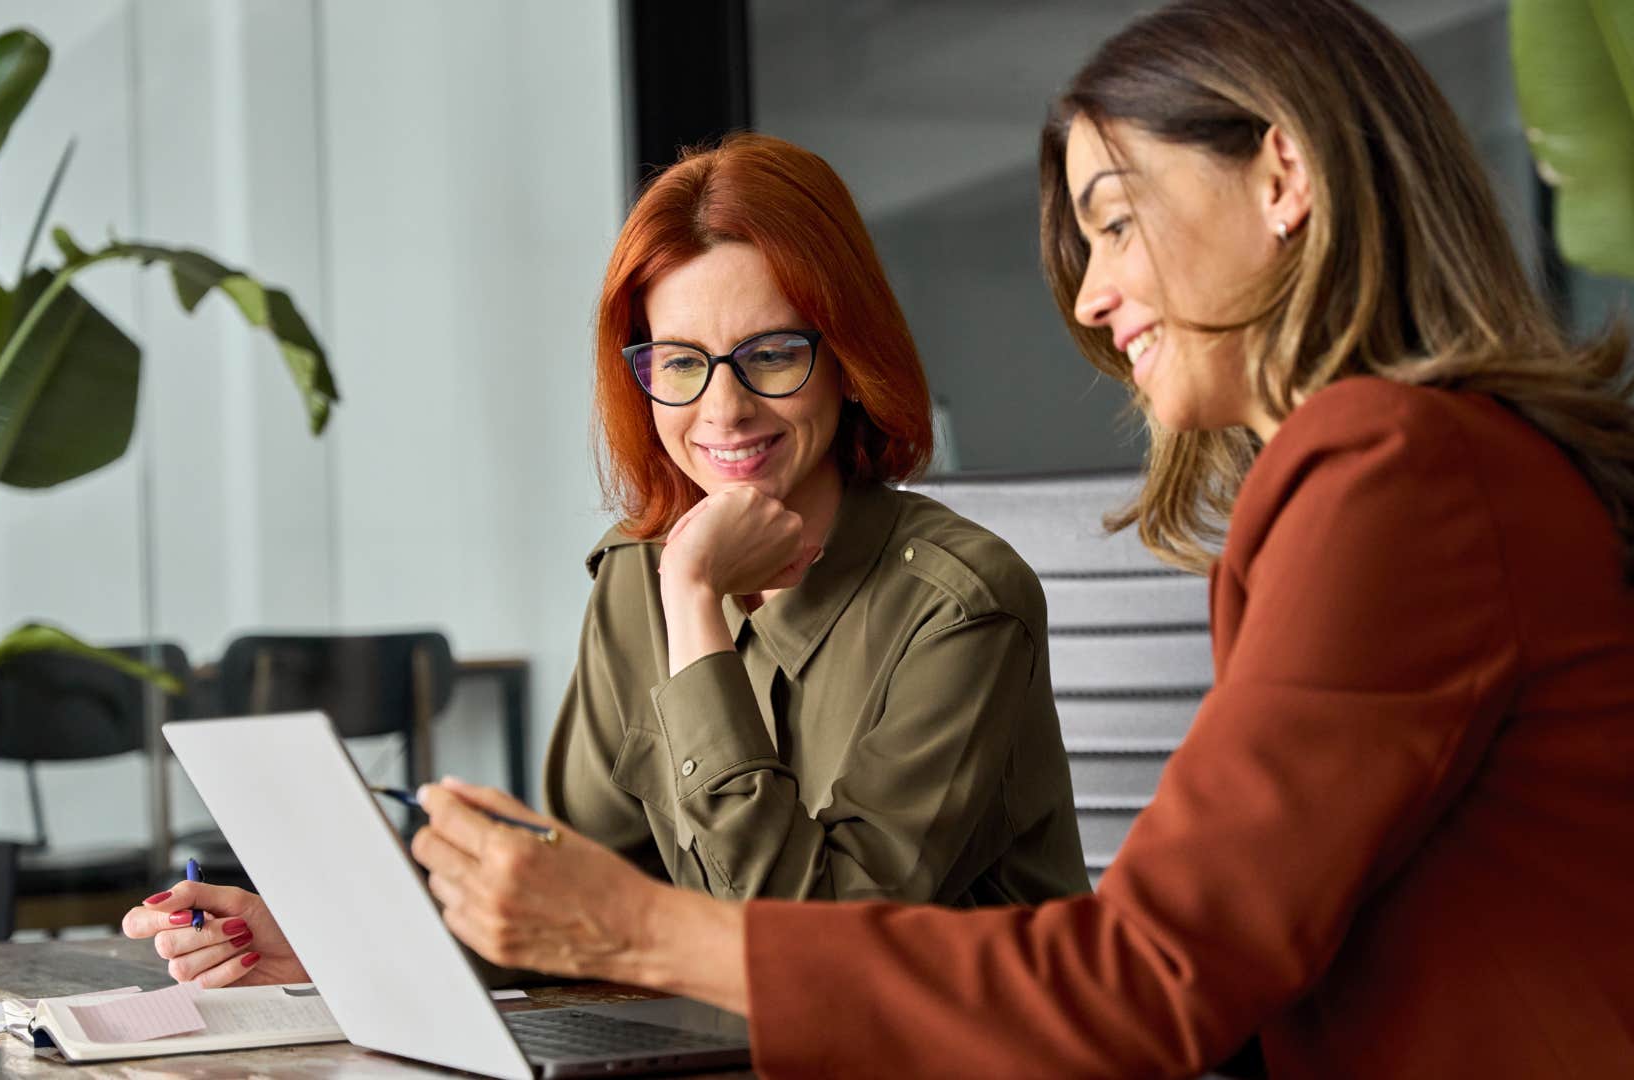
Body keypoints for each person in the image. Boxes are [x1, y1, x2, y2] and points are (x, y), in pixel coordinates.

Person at [402, 1, 1634, 1076]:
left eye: (1114, 222)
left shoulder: (1399, 468)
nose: (1090, 300)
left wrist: (634, 933)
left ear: (1284, 177)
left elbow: (1151, 976)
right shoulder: (1413, 466)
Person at [121, 133, 1090, 990]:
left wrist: (696, 601)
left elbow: (804, 949)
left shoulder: (960, 605)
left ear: (847, 356)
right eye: (679, 362)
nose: (723, 410)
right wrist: (330, 943)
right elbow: (579, 894)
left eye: (772, 354)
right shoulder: (638, 577)